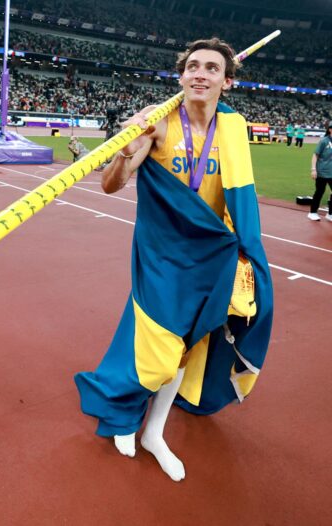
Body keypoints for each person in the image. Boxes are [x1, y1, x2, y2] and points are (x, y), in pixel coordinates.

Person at [74, 38, 273, 482]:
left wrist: (245, 251)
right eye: (193, 67)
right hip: (163, 253)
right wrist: (129, 148)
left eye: (211, 68)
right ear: (181, 76)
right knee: (158, 350)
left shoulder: (234, 129)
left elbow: (241, 197)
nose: (200, 74)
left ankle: (155, 433)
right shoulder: (159, 124)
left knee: (190, 344)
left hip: (213, 255)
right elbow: (111, 185)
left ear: (227, 80)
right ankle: (123, 412)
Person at [308, 123, 332, 221]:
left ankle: (330, 214)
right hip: (322, 172)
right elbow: (315, 155)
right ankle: (312, 212)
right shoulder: (324, 141)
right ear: (330, 130)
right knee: (319, 192)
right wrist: (313, 169)